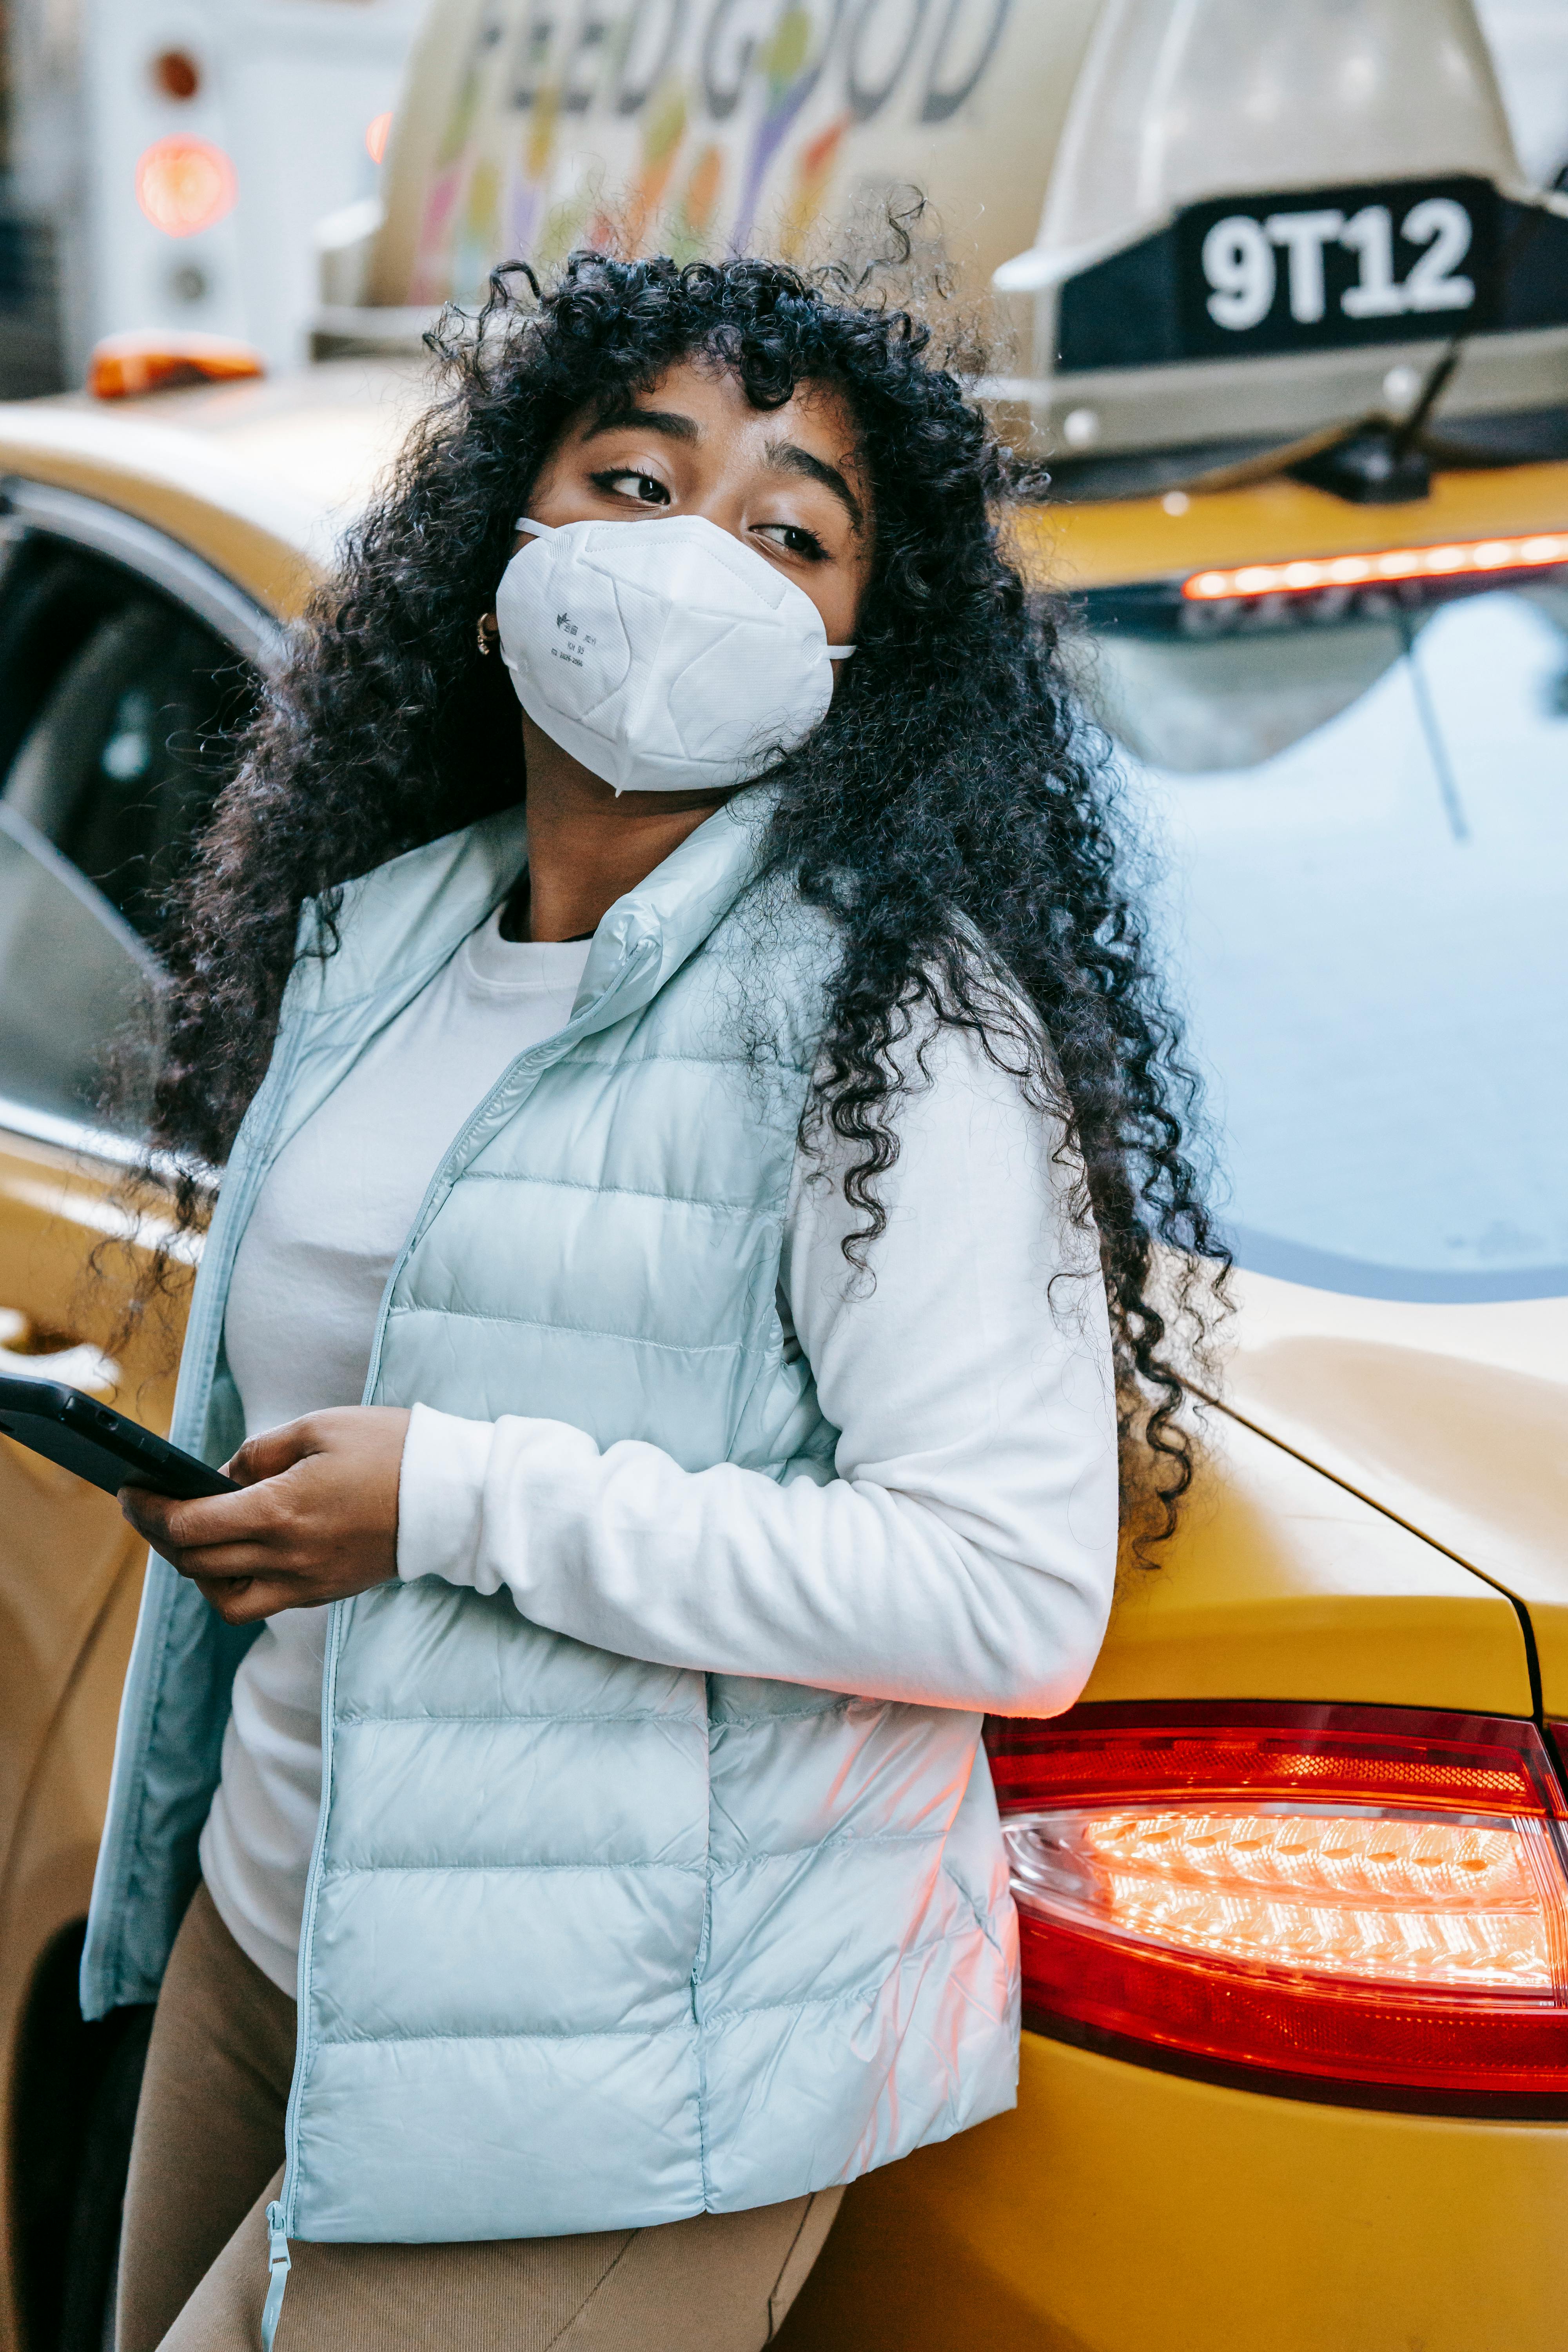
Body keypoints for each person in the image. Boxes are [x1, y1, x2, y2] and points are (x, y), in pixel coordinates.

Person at [88, 253, 1221, 2352]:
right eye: (635, 480)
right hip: (274, 1919)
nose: (693, 562)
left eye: (789, 532)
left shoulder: (899, 1027)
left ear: (865, 646)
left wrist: (451, 1497)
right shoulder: (386, 936)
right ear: (510, 532)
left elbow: (1005, 1594)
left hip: (603, 2052)